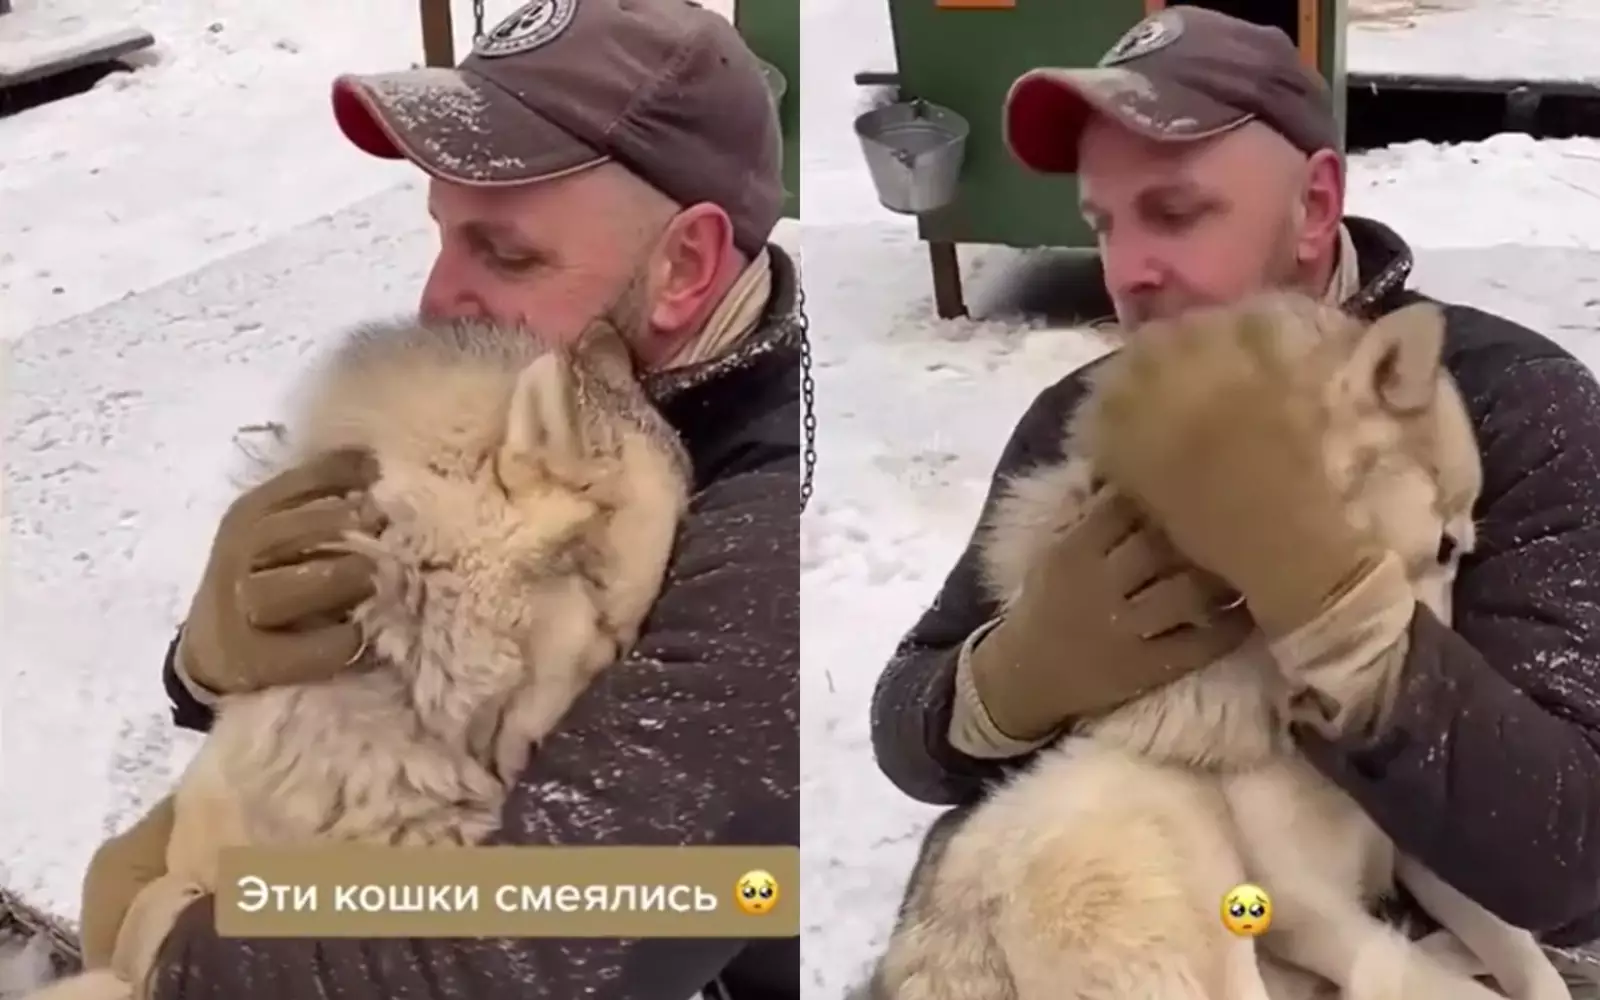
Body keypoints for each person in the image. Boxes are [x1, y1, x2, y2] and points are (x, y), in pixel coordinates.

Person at [75, 1, 802, 998]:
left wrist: (172, 948)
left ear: (682, 267)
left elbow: (588, 930)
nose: (436, 297)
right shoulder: (565, 396)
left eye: (505, 253)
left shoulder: (761, 535)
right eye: (443, 235)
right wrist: (209, 666)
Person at [870, 2, 1600, 962]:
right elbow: (907, 725)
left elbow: (1571, 861)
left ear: (1315, 207)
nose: (1128, 271)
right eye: (1104, 223)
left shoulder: (1504, 405)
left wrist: (1349, 632)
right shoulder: (1082, 417)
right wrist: (1014, 678)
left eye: (1175, 212)